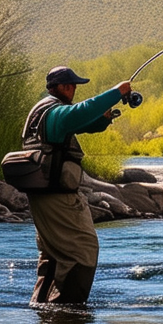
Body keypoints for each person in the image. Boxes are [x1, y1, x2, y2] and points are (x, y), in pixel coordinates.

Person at [22, 66, 133, 305]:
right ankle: (67, 309)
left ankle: (43, 307)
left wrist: (103, 121)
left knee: (54, 255)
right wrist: (117, 91)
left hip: (40, 197)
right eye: (72, 86)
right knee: (83, 249)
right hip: (57, 197)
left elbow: (82, 122)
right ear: (62, 87)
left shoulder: (41, 112)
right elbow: (83, 111)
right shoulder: (56, 112)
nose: (74, 91)